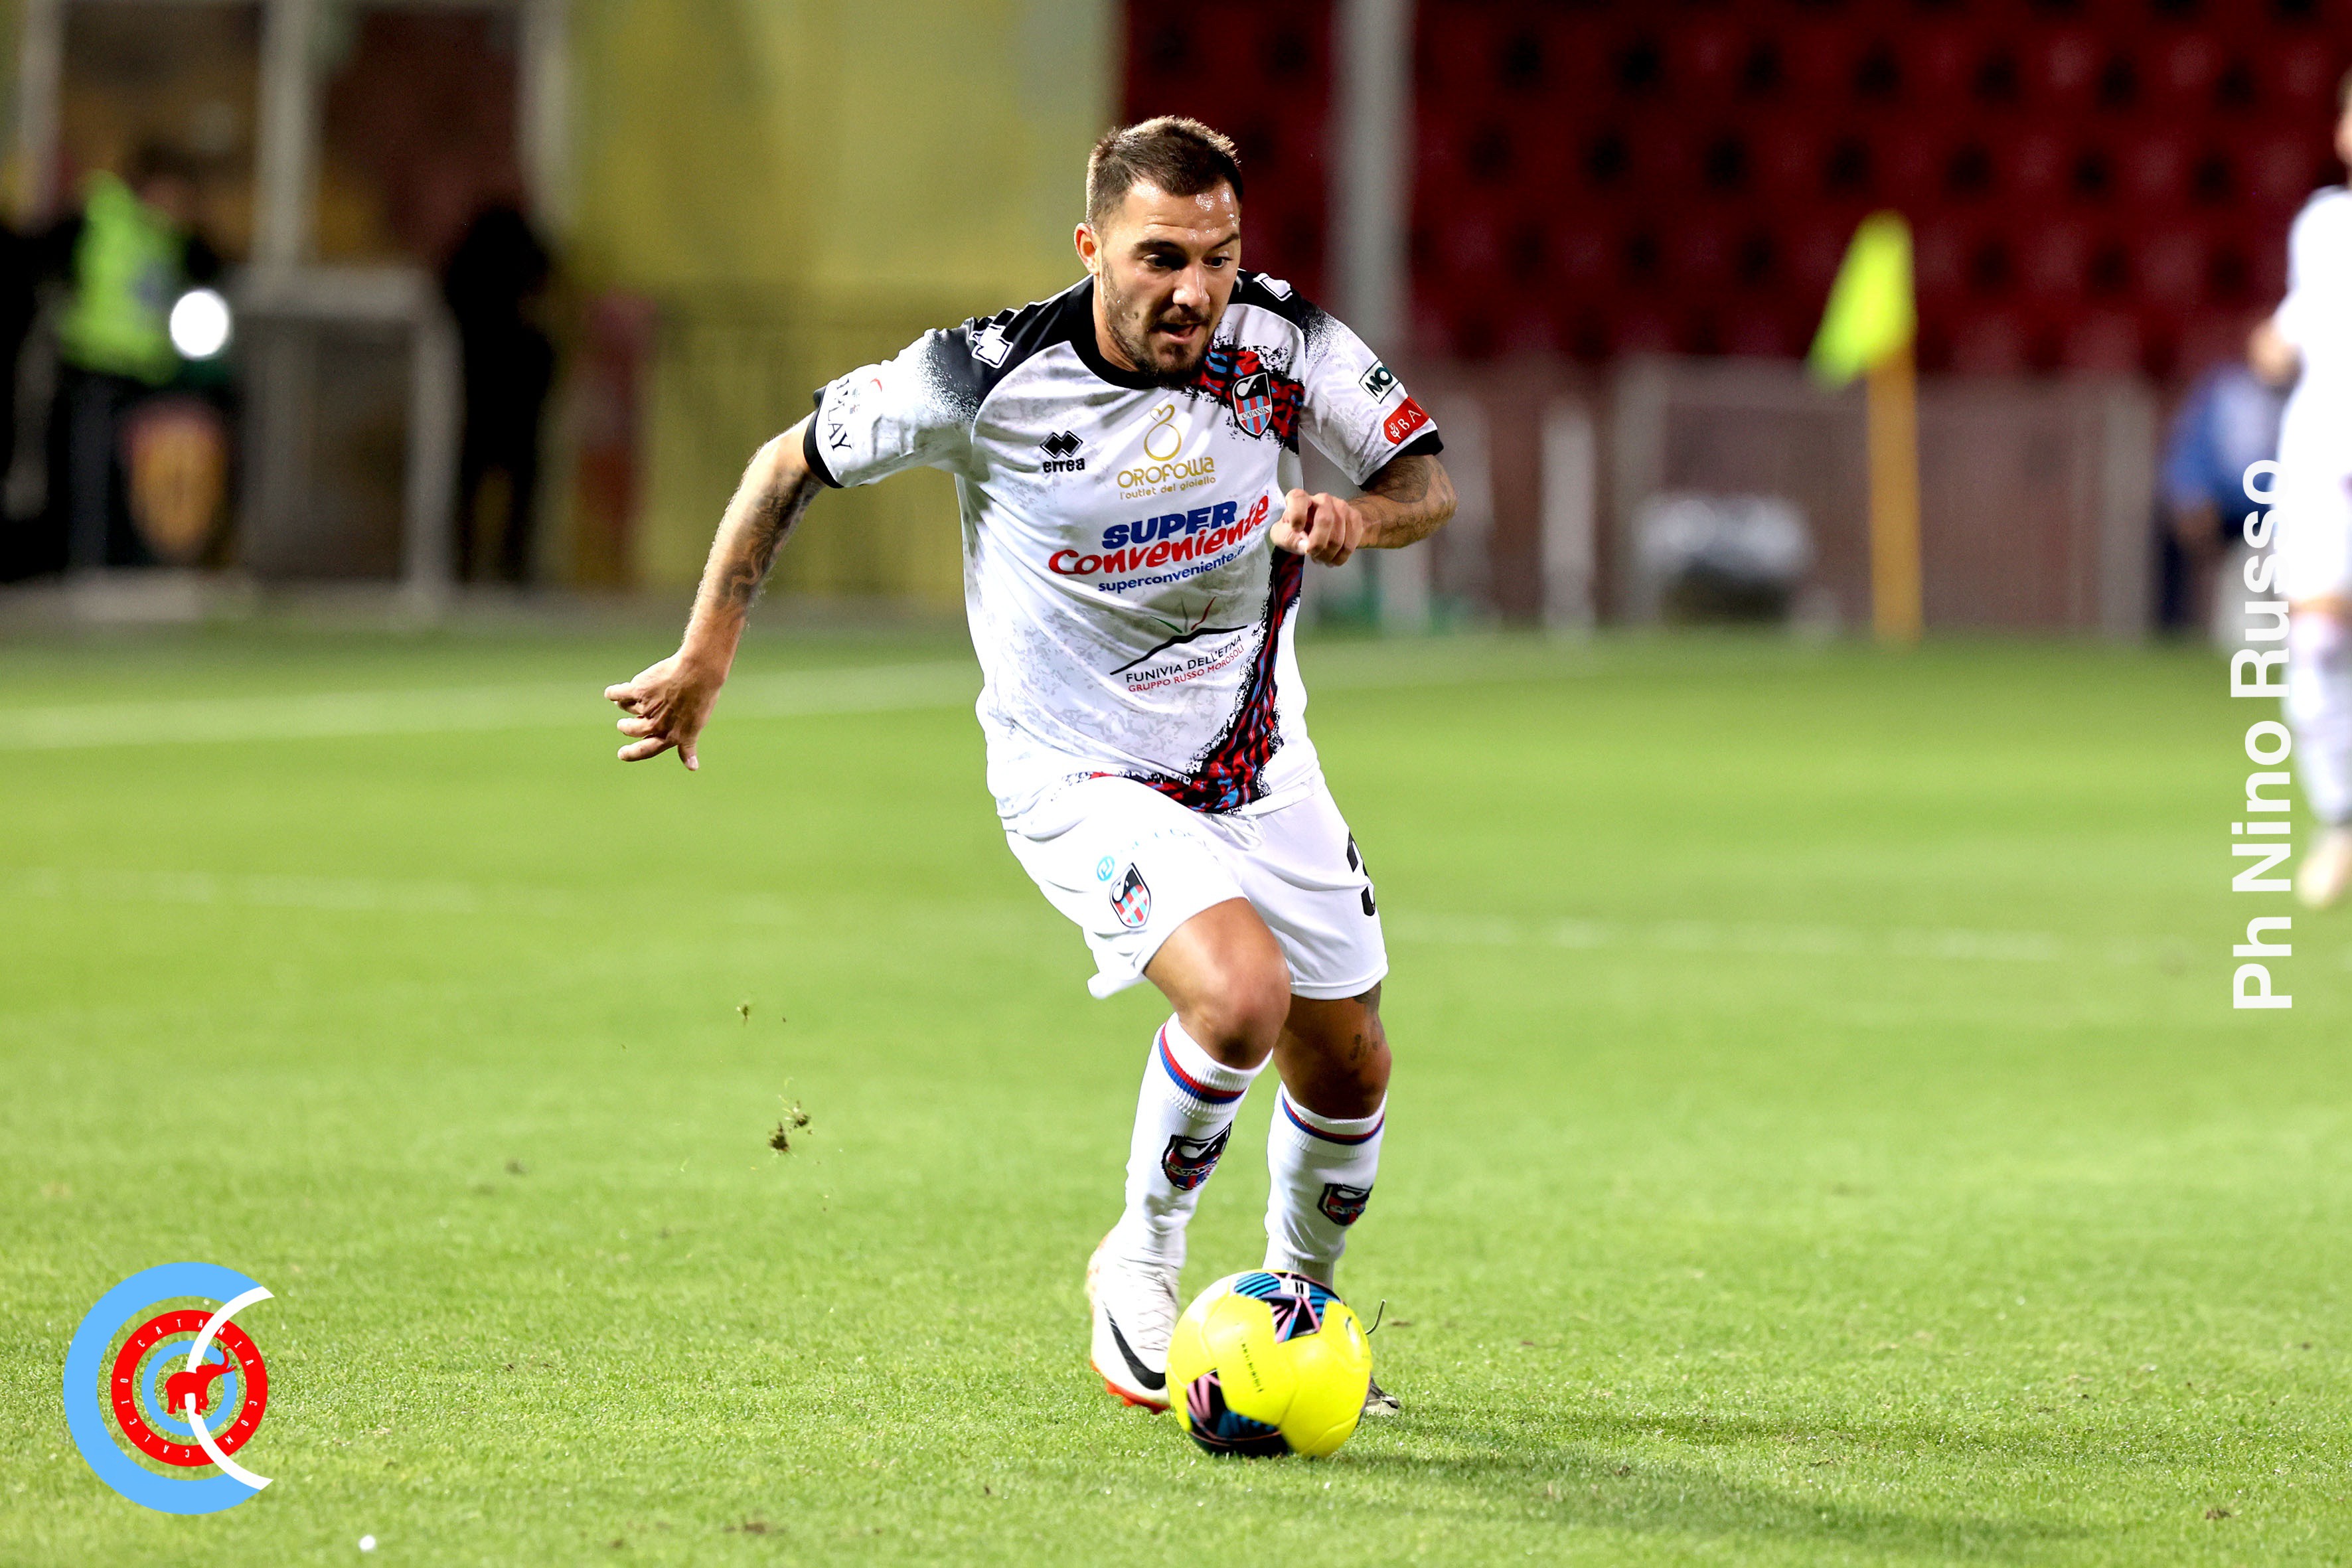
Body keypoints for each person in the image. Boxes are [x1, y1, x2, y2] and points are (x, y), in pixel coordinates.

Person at [604, 118, 1453, 1415]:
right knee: (1240, 998)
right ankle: (1140, 1260)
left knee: (1350, 1065)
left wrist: (1361, 517)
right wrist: (707, 651)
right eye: (1160, 257)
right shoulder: (983, 376)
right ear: (1091, 246)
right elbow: (790, 459)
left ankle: (1298, 1307)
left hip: (1257, 761)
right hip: (1081, 772)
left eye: (1217, 257)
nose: (1194, 290)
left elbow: (1424, 478)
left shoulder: (1279, 344)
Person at [2251, 74, 2352, 908]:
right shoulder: (2322, 225)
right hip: (2322, 462)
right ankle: (2341, 816)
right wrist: (2272, 346)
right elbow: (2294, 332)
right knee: (2316, 643)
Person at [49, 144, 222, 572]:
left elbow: (212, 266)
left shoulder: (168, 235)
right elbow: (52, 256)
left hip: (147, 378)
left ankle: (129, 568)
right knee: (90, 481)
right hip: (94, 370)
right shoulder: (102, 217)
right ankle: (87, 568)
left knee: (139, 481)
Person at [441, 202, 555, 584]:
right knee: (500, 480)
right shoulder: (490, 244)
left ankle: (488, 564)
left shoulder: (503, 242)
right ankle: (496, 564)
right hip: (496, 390)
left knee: (497, 480)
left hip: (504, 391)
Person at [2156, 356, 2282, 637]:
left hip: (2284, 512)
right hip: (2228, 511)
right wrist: (2192, 497)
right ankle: (2177, 634)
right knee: (2179, 526)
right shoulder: (2224, 389)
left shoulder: (2312, 391)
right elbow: (2190, 452)